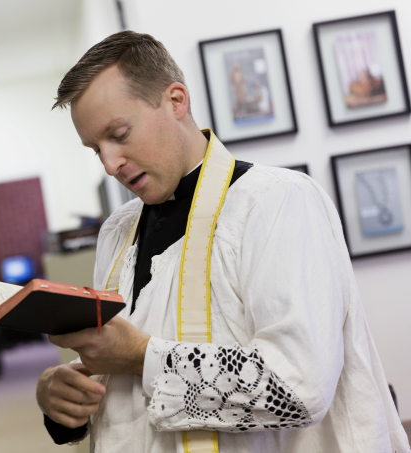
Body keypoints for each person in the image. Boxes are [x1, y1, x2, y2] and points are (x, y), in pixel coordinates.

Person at [35, 30, 410, 453]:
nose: (109, 164)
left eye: (119, 134)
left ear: (176, 101)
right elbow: (125, 369)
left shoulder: (277, 202)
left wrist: (143, 357)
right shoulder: (117, 232)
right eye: (94, 149)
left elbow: (300, 383)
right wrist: (62, 391)